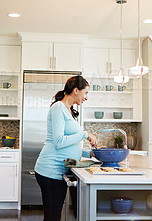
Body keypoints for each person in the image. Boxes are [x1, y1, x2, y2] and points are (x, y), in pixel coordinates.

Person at [34, 75, 97, 221]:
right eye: (86, 93)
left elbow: (70, 145)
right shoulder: (58, 108)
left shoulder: (69, 110)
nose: (86, 97)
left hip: (58, 171)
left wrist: (90, 153)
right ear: (76, 90)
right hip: (49, 171)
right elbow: (59, 142)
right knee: (52, 217)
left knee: (54, 216)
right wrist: (85, 134)